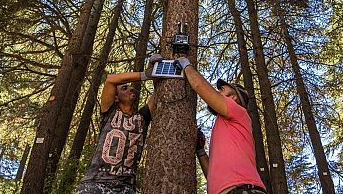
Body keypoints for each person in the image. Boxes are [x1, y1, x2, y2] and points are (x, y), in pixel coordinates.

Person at [175, 57, 267, 194]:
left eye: (222, 90)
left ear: (233, 97)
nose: (217, 92)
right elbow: (213, 177)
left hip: (243, 189)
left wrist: (186, 65)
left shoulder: (239, 111)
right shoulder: (226, 126)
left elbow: (200, 86)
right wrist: (201, 151)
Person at [74, 54, 163, 194]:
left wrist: (158, 69)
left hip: (126, 187)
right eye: (124, 88)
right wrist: (145, 75)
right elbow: (110, 80)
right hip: (95, 183)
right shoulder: (109, 112)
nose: (131, 89)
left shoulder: (142, 117)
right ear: (115, 98)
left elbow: (160, 90)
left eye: (131, 88)